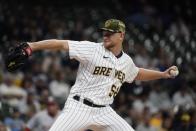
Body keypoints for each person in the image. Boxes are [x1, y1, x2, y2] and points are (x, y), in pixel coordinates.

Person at [6, 19, 178, 131]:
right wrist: (32, 46)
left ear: (121, 36)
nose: (106, 34)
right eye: (104, 31)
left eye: (110, 32)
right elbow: (61, 44)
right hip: (79, 107)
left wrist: (162, 74)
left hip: (104, 111)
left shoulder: (126, 61)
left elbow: (137, 73)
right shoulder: (92, 49)